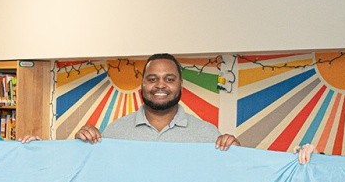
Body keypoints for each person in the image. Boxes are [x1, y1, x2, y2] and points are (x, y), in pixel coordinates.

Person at [74, 53, 238, 149]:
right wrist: (80, 147)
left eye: (169, 79)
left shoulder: (208, 135)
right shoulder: (114, 133)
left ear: (180, 85)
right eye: (152, 79)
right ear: (142, 84)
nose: (160, 85)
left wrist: (236, 155)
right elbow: (96, 178)